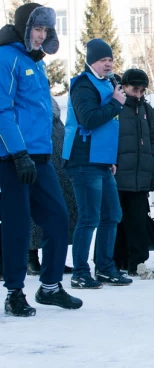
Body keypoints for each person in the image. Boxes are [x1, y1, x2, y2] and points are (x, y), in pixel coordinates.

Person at [0, 3, 82, 315]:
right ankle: (14, 292)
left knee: (58, 219)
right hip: (14, 158)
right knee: (18, 226)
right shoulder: (6, 57)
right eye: (37, 29)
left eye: (46, 30)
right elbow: (2, 110)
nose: (41, 35)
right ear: (24, 27)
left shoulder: (38, 62)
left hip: (41, 156)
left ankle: (49, 287)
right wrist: (18, 154)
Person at [63, 38, 132, 288]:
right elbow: (88, 119)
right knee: (89, 216)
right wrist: (115, 103)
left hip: (101, 161)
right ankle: (81, 272)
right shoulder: (83, 84)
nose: (108, 64)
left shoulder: (107, 85)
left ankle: (104, 267)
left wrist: (110, 159)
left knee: (112, 214)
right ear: (91, 60)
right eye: (103, 60)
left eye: (110, 60)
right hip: (82, 159)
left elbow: (108, 125)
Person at [112, 69, 154, 276]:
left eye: (142, 90)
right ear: (123, 87)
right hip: (117, 174)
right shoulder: (114, 107)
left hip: (141, 176)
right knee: (116, 221)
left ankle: (137, 263)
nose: (138, 94)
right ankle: (113, 262)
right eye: (135, 89)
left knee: (138, 221)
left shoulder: (147, 110)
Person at [28, 96, 77, 276]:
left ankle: (56, 259)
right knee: (34, 214)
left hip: (60, 168)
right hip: (36, 165)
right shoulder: (27, 107)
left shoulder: (54, 113)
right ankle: (31, 257)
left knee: (60, 214)